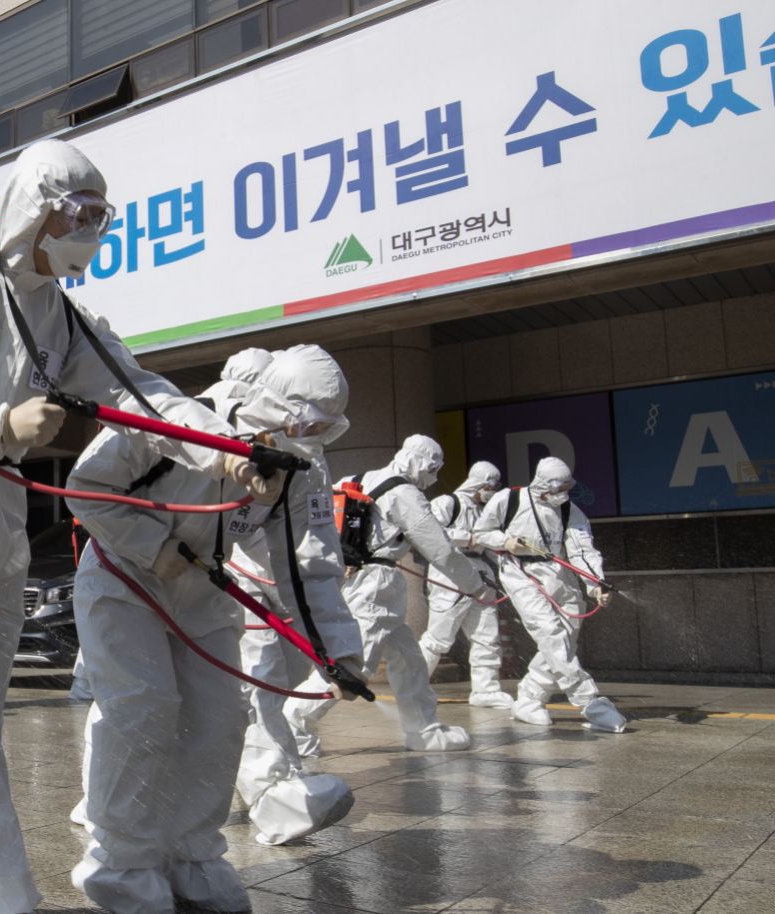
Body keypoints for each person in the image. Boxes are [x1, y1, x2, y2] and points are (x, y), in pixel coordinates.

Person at [0, 138, 279, 914]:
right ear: (32, 209)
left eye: (100, 219)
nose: (89, 231)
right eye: (76, 215)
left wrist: (224, 451)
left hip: (0, 535)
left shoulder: (67, 320)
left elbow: (138, 392)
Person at [62, 397, 260, 913]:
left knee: (221, 717)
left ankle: (194, 853)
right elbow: (82, 487)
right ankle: (122, 863)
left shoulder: (290, 457)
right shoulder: (161, 426)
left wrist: (337, 643)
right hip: (124, 578)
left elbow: (307, 551)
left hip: (204, 592)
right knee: (142, 709)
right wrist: (150, 544)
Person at [215, 346, 364, 846]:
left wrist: (336, 651)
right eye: (311, 425)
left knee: (258, 689)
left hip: (237, 580)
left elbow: (313, 560)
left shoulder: (307, 465)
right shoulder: (205, 425)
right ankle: (273, 799)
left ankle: (270, 792)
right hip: (157, 573)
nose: (317, 438)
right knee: (137, 700)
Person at [290, 435, 484, 754]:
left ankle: (423, 728)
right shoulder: (405, 493)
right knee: (354, 665)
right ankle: (291, 724)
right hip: (375, 583)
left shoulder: (357, 479)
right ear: (419, 461)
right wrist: (475, 584)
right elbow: (441, 550)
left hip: (357, 575)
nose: (433, 475)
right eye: (433, 467)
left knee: (408, 659)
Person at [472, 457, 626, 733]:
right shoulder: (510, 499)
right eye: (559, 487)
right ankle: (592, 703)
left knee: (564, 639)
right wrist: (505, 542)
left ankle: (529, 700)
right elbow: (482, 532)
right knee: (550, 634)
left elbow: (582, 550)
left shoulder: (569, 510)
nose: (563, 492)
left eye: (567, 486)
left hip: (559, 576)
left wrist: (595, 585)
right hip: (520, 573)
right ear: (544, 483)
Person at [420, 460, 514, 710]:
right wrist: (467, 538)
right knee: (439, 637)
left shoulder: (486, 512)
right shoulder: (447, 503)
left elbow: (492, 547)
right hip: (449, 574)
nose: (491, 490)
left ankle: (487, 689)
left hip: (481, 576)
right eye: (489, 485)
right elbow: (427, 533)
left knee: (486, 635)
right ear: (479, 483)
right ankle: (414, 685)